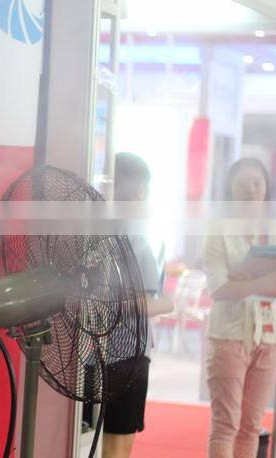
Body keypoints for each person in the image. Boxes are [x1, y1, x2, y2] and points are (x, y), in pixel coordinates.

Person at [202, 157, 276, 458]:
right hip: (229, 337)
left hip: (269, 337)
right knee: (226, 425)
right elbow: (219, 289)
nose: (251, 190)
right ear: (230, 190)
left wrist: (245, 282)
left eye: (257, 183)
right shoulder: (218, 231)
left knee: (251, 427)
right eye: (242, 184)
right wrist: (264, 282)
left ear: (266, 188)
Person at [103, 153, 174, 458]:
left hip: (91, 354)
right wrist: (168, 303)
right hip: (127, 354)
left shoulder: (93, 231)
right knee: (117, 444)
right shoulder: (136, 237)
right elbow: (133, 303)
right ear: (141, 190)